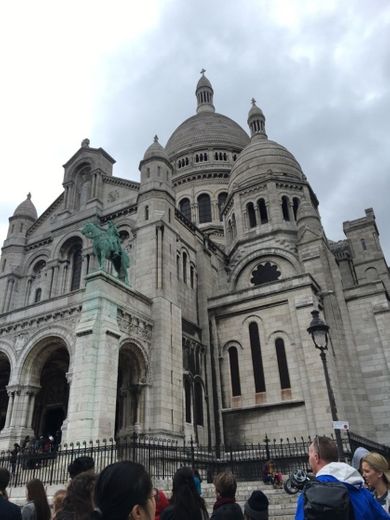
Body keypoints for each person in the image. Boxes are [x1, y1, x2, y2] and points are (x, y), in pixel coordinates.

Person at [295, 435, 390, 520]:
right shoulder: (360, 490)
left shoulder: (308, 495)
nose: (308, 459)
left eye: (309, 455)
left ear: (316, 458)